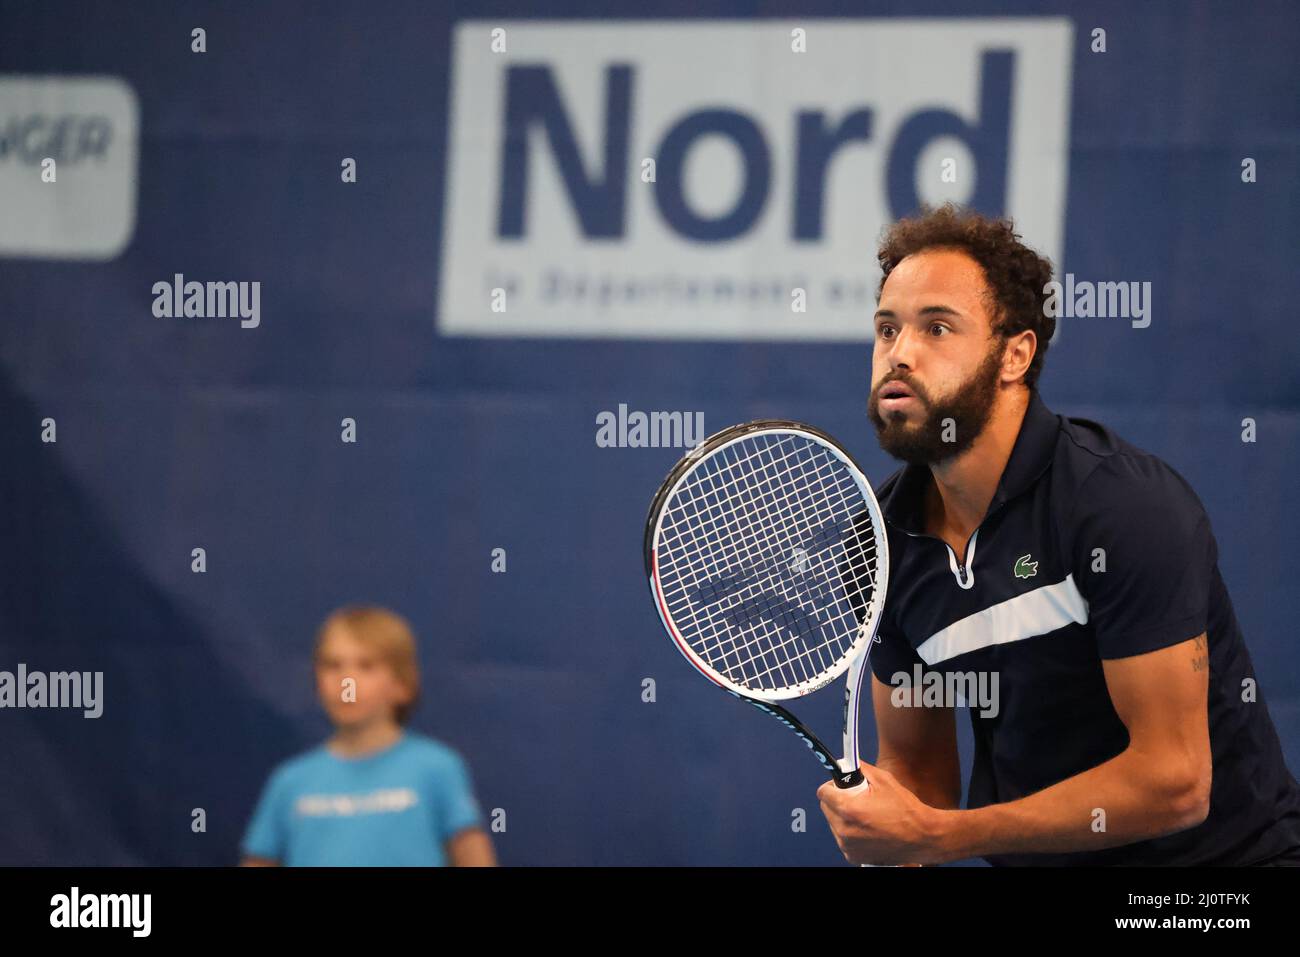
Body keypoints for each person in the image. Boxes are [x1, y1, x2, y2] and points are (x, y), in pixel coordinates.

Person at [818, 204, 1300, 866]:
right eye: (886, 328)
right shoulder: (881, 544)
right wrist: (891, 832)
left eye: (936, 327)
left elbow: (1177, 780)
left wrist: (945, 835)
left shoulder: (1120, 506)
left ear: (1015, 353)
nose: (899, 353)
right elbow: (921, 784)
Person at [241, 605, 496, 866]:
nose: (346, 682)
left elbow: (473, 856)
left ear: (402, 685)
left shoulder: (436, 769)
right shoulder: (290, 782)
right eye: (333, 665)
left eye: (366, 666)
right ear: (316, 680)